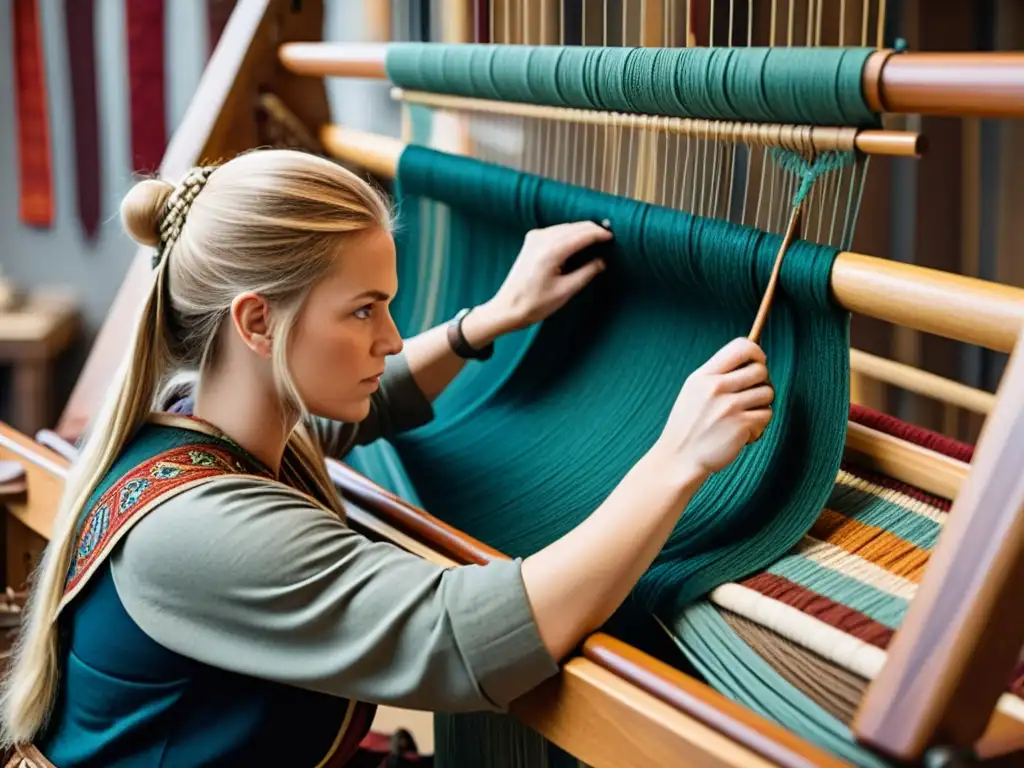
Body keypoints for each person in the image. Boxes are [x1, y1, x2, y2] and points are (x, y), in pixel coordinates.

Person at [0, 150, 773, 767]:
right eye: (365, 310)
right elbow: (464, 637)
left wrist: (490, 321)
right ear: (258, 322)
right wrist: (675, 460)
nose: (394, 337)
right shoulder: (200, 534)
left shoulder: (190, 424)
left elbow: (356, 411)